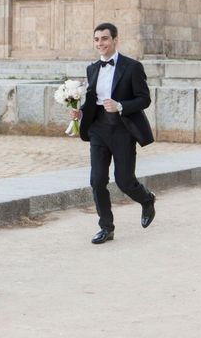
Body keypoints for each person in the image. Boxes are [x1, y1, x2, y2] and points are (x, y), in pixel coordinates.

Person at [70, 22, 156, 245]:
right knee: (97, 180)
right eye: (97, 39)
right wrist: (79, 114)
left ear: (115, 40)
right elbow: (92, 101)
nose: (100, 43)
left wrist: (120, 106)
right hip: (98, 129)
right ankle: (106, 227)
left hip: (123, 131)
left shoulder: (132, 67)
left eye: (105, 39)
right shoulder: (92, 68)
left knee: (124, 181)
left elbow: (144, 99)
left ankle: (146, 200)